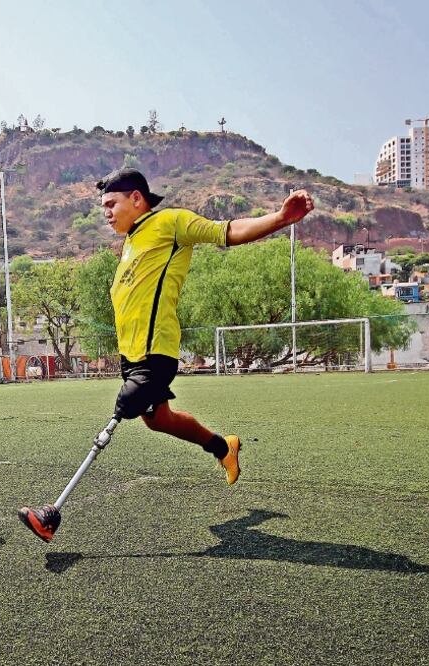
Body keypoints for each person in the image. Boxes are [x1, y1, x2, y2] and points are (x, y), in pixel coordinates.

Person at [19, 168, 313, 541]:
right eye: (103, 207)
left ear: (136, 198)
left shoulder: (171, 223)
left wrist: (281, 218)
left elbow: (227, 231)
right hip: (131, 356)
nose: (106, 213)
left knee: (125, 407)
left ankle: (50, 515)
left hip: (156, 352)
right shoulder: (131, 242)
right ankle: (223, 447)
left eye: (111, 204)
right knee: (159, 420)